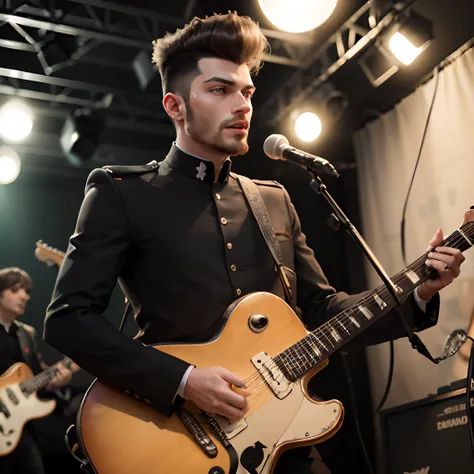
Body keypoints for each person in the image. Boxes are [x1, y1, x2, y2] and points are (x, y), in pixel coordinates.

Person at [44, 12, 465, 473]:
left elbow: (321, 311)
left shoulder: (274, 200)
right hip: (176, 438)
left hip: (282, 443)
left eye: (246, 91)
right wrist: (183, 380)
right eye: (220, 90)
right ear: (174, 106)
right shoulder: (122, 193)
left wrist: (419, 291)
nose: (243, 105)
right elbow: (68, 321)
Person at [0, 267, 73, 474]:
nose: (24, 296)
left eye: (26, 291)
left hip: (21, 426)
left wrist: (55, 381)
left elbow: (36, 374)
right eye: (15, 290)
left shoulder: (27, 333)